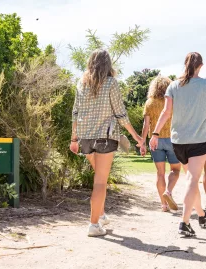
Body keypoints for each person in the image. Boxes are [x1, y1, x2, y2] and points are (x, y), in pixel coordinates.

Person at [70, 49, 142, 237]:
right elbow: (120, 114)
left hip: (85, 138)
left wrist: (73, 139)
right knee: (100, 182)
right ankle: (93, 225)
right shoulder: (111, 83)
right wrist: (136, 136)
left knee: (98, 178)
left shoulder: (81, 83)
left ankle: (100, 214)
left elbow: (75, 113)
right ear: (108, 64)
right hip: (104, 137)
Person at [149, 52, 206, 237]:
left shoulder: (173, 85)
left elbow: (166, 112)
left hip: (178, 142)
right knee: (192, 180)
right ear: (201, 65)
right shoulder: (204, 86)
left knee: (191, 179)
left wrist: (155, 133)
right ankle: (184, 222)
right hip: (198, 140)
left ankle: (202, 216)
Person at [140, 76, 181, 212]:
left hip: (155, 141)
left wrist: (142, 143)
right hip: (173, 140)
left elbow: (146, 125)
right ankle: (168, 191)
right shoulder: (172, 100)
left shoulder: (149, 103)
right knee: (175, 170)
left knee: (160, 173)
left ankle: (163, 205)